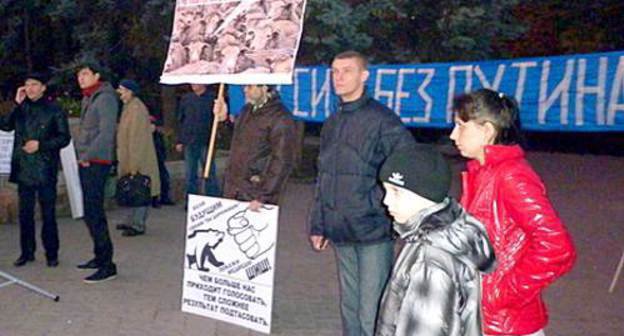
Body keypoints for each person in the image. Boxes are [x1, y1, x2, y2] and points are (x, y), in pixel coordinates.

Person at [449, 88, 576, 336]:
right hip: (484, 319)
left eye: (461, 126)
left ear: (487, 131)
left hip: (507, 326)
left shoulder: (511, 176)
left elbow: (557, 247)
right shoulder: (481, 173)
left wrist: (499, 294)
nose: (454, 135)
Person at [308, 51, 415, 336]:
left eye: (347, 71)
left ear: (364, 76)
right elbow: (325, 177)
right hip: (340, 229)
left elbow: (408, 167)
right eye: (334, 71)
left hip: (372, 231)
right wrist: (319, 224)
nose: (339, 77)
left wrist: (383, 208)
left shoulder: (383, 120)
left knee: (374, 314)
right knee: (350, 309)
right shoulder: (333, 122)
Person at [375, 144, 496, 336]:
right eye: (386, 190)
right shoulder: (445, 233)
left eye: (396, 191)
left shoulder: (430, 261)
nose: (386, 200)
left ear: (424, 193)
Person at [0, 72, 71, 268]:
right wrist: (16, 104)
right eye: (27, 85)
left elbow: (64, 138)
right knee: (25, 214)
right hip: (24, 169)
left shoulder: (54, 109)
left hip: (45, 168)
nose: (30, 88)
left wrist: (41, 145)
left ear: (43, 87)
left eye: (34, 84)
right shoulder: (21, 108)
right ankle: (26, 252)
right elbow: (5, 125)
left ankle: (51, 253)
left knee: (48, 214)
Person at [213, 84, 296, 210]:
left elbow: (282, 161)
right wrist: (222, 120)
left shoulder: (280, 118)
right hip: (234, 188)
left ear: (264, 88)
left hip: (255, 192)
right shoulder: (247, 110)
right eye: (245, 86)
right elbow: (235, 141)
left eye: (250, 86)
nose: (245, 90)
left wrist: (264, 196)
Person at [74, 62, 119, 283]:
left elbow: (106, 133)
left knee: (95, 212)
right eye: (79, 75)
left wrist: (87, 155)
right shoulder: (89, 97)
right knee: (89, 212)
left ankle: (107, 264)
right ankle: (99, 256)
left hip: (97, 162)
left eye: (85, 74)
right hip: (87, 161)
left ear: (96, 75)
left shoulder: (105, 98)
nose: (80, 78)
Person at [114, 79, 160, 236]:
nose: (119, 93)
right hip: (130, 156)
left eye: (121, 90)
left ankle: (138, 224)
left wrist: (134, 164)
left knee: (140, 189)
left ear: (130, 91)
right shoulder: (129, 107)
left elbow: (136, 138)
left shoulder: (136, 109)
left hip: (138, 158)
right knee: (131, 189)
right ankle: (130, 220)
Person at [175, 84, 220, 202]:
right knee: (190, 173)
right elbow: (181, 120)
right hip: (189, 141)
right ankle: (191, 200)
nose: (194, 85)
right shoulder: (186, 99)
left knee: (209, 172)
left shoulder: (212, 98)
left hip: (206, 141)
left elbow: (218, 119)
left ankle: (212, 199)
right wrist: (180, 140)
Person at [148, 106, 175, 207]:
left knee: (161, 172)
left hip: (156, 145)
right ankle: (156, 198)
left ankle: (163, 196)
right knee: (157, 172)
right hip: (152, 145)